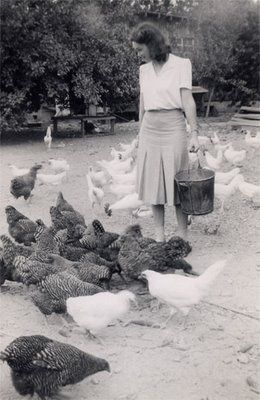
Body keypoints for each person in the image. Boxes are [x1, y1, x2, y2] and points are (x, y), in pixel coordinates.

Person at [131, 22, 200, 242]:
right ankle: (159, 236)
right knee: (154, 184)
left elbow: (187, 100)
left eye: (140, 49)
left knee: (179, 182)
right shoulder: (144, 69)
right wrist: (140, 133)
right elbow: (143, 102)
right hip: (150, 127)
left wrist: (194, 133)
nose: (138, 54)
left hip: (173, 125)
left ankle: (182, 236)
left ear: (152, 45)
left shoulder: (181, 64)